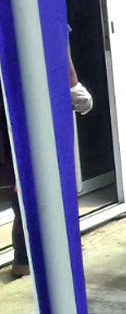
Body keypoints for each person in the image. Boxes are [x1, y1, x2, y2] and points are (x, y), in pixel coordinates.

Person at [2, 58, 93, 279]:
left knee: (26, 182)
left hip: (20, 104)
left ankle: (26, 258)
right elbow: (61, 48)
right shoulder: (45, 24)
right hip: (27, 106)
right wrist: (73, 85)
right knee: (31, 183)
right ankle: (28, 258)